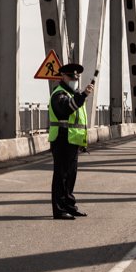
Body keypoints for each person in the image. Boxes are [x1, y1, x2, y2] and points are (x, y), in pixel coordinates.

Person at [49, 62, 93, 220]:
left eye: (76, 77)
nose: (74, 79)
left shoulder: (73, 94)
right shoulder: (59, 94)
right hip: (61, 139)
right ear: (63, 76)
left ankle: (69, 206)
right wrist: (83, 96)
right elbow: (66, 109)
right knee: (61, 176)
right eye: (71, 77)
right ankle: (59, 210)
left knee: (70, 176)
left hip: (72, 140)